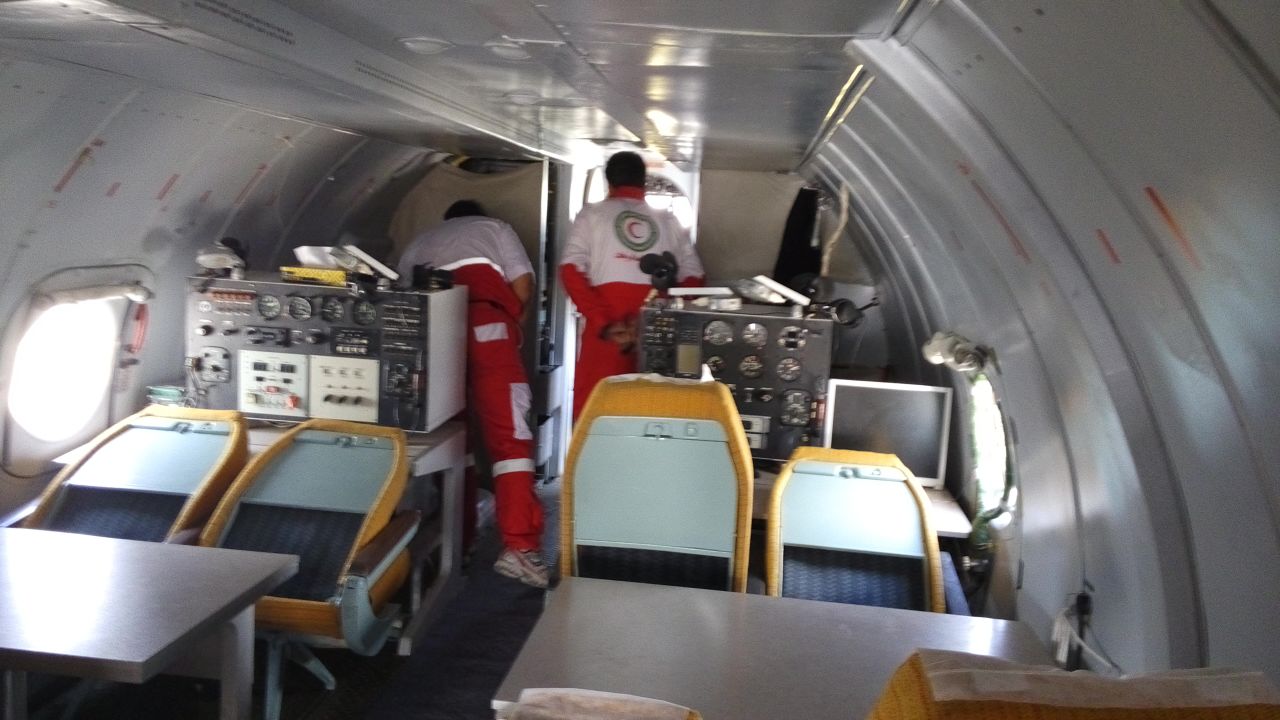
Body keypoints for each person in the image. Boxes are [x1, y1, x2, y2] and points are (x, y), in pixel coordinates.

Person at [397, 200, 547, 588]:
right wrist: (510, 328)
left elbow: (401, 298)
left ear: (448, 220)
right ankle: (519, 547)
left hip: (432, 336)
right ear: (477, 215)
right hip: (487, 324)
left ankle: (459, 543)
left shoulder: (421, 240)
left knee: (453, 441)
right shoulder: (495, 227)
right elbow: (523, 285)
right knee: (511, 440)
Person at [560, 152, 705, 418]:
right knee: (652, 412)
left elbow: (569, 271)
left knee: (595, 414)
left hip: (607, 334)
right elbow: (694, 279)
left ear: (609, 183)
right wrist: (659, 318)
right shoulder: (668, 220)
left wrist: (604, 322)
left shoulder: (592, 214)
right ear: (644, 181)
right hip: (656, 332)